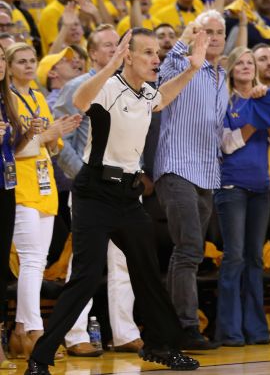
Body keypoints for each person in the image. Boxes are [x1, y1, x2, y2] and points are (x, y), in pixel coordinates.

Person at [24, 28, 208, 375]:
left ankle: (161, 346)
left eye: (157, 53)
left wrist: (192, 68)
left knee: (147, 272)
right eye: (148, 53)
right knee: (87, 276)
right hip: (94, 193)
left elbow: (162, 99)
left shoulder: (147, 91)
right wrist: (110, 65)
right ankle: (40, 358)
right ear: (129, 56)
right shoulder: (107, 88)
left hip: (128, 194)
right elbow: (79, 101)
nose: (157, 59)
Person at [51, 25, 143, 356]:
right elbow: (61, 140)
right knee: (85, 261)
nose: (114, 51)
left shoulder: (133, 86)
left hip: (126, 185)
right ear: (91, 53)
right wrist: (84, 176)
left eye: (118, 45)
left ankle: (125, 332)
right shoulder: (78, 87)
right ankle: (75, 334)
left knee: (124, 260)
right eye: (106, 46)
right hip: (92, 186)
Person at [153, 11, 231, 350]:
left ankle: (176, 326)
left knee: (188, 252)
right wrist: (187, 36)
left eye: (218, 32)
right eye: (206, 32)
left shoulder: (222, 75)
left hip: (207, 171)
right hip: (177, 167)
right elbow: (165, 68)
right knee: (188, 250)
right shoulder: (180, 66)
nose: (213, 37)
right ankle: (185, 328)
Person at [5, 43, 81, 359]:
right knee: (31, 262)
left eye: (32, 60)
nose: (27, 65)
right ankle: (33, 330)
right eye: (20, 61)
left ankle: (22, 332)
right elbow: (16, 147)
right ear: (8, 67)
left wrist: (52, 136)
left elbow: (51, 147)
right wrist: (48, 135)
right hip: (20, 185)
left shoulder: (38, 98)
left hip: (45, 184)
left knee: (37, 261)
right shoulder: (6, 99)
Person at [214, 47, 270, 346]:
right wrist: (255, 121)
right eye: (239, 62)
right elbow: (225, 144)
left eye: (250, 62)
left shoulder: (264, 99)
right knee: (234, 256)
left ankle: (256, 329)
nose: (246, 66)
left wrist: (269, 110)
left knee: (254, 258)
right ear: (230, 68)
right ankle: (229, 330)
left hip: (260, 187)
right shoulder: (224, 101)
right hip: (231, 187)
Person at [0, 44, 22, 370]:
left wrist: (26, 135)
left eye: (2, 57)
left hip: (6, 187)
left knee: (2, 267)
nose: (0, 63)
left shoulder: (8, 100)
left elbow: (11, 149)